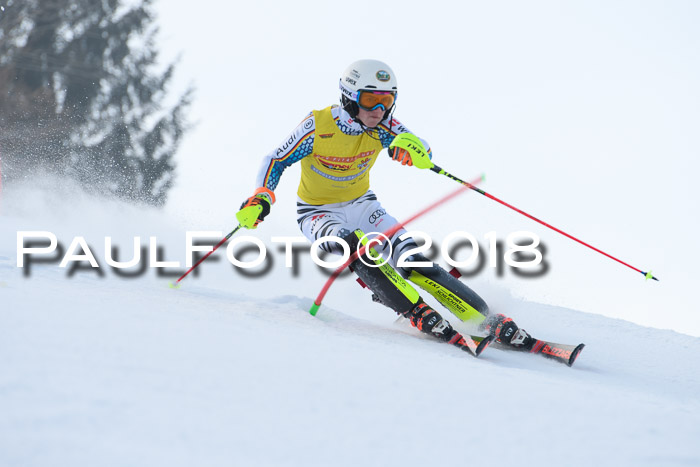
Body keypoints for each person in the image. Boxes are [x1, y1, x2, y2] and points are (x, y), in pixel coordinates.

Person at [235, 59, 532, 354]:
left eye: (386, 101)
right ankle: (415, 312)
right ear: (349, 98)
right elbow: (275, 159)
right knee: (357, 247)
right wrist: (261, 196)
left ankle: (486, 320)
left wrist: (414, 152)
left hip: (364, 206)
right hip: (318, 212)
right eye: (370, 100)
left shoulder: (383, 126)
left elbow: (417, 145)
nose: (378, 110)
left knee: (412, 260)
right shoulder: (319, 125)